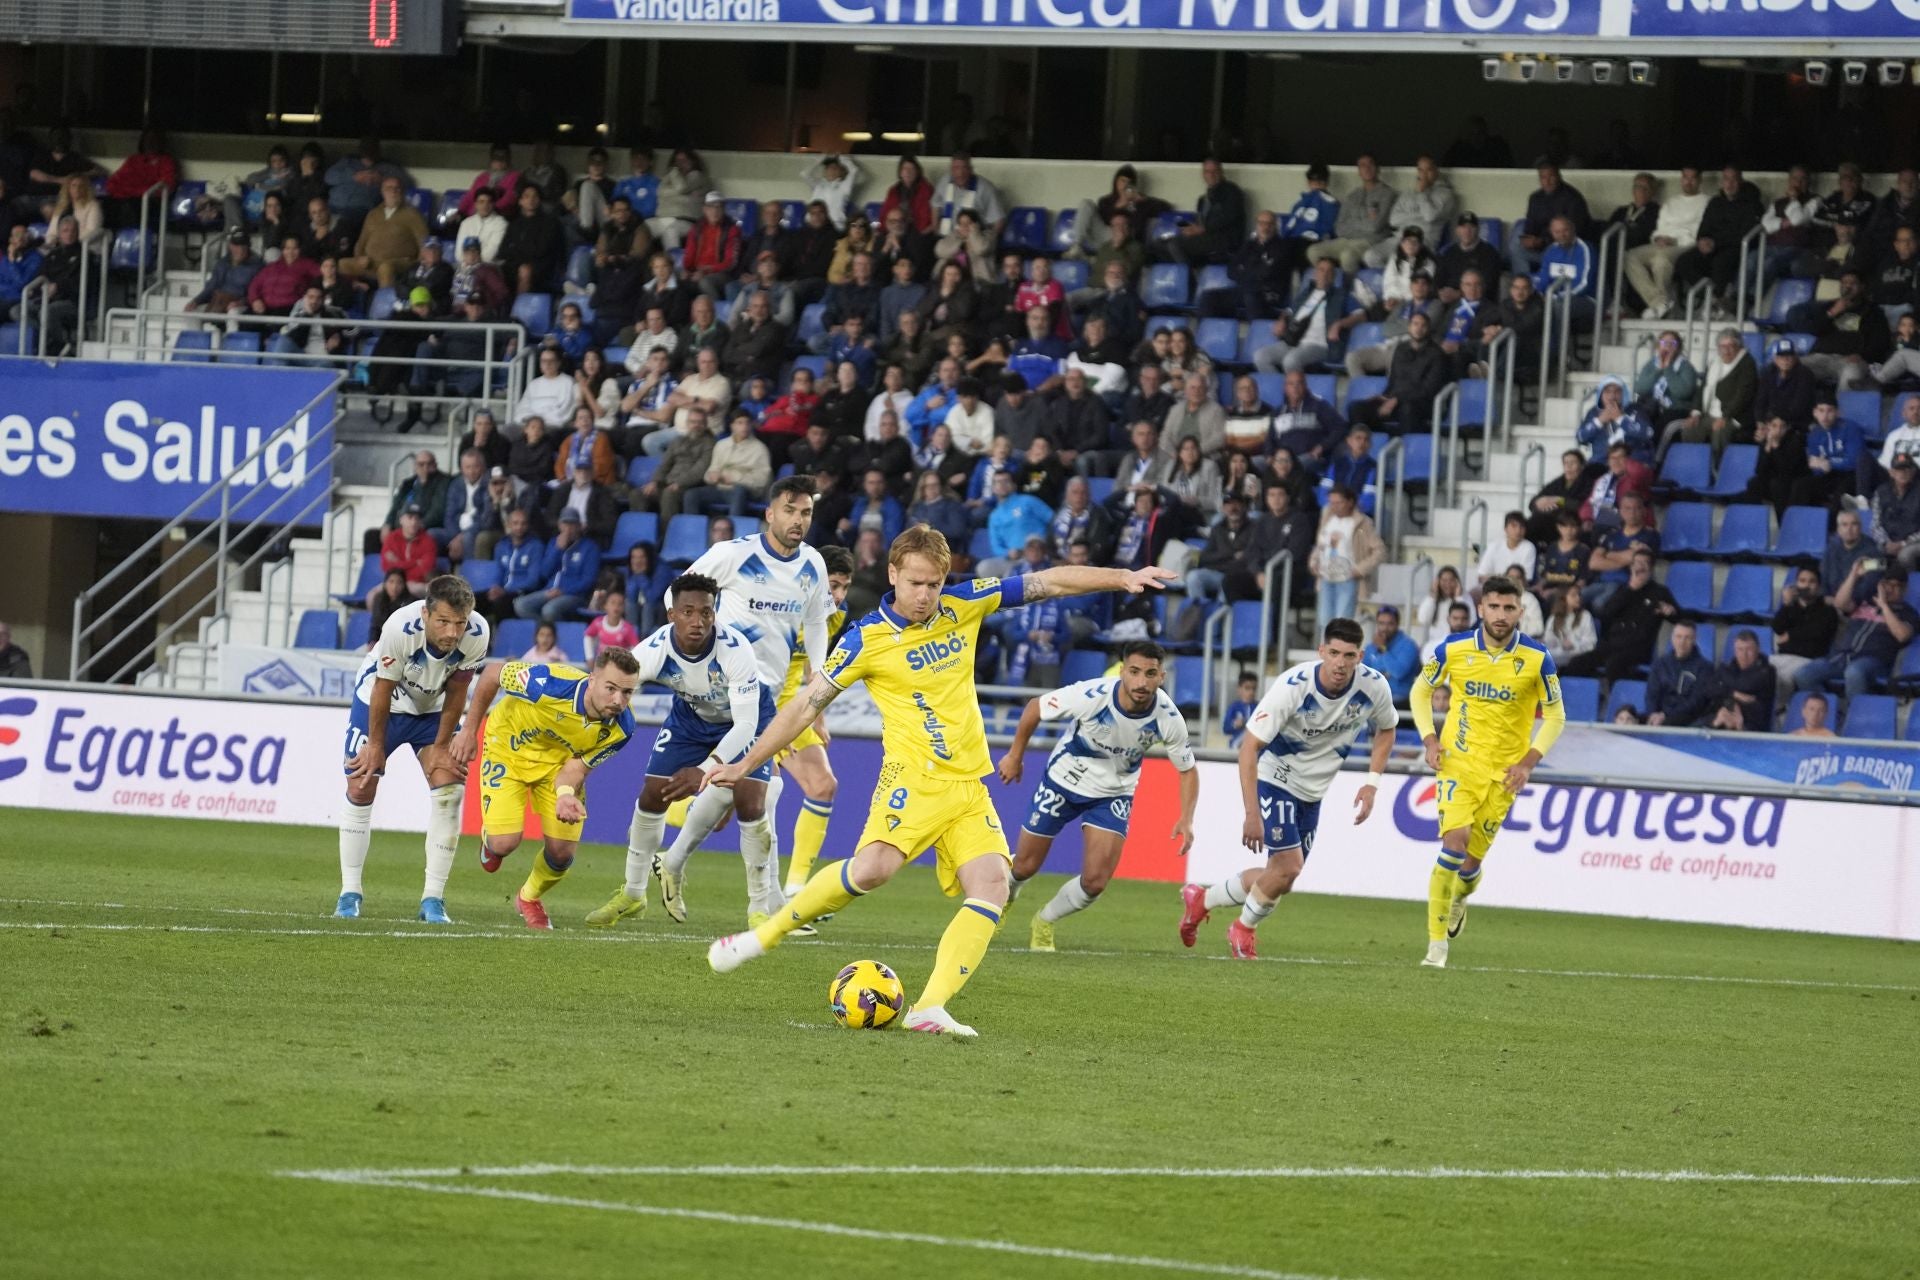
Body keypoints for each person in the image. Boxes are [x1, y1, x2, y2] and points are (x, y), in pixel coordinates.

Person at [704, 527, 1174, 1037]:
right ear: (892, 575)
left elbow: (1048, 583)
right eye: (914, 583)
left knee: (993, 886)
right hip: (914, 776)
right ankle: (763, 936)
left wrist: (1122, 576)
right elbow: (804, 704)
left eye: (933, 584)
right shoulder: (866, 637)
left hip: (969, 785)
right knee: (873, 870)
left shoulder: (964, 603)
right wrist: (747, 762)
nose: (924, 595)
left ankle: (929, 1006)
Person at [639, 480, 836, 926]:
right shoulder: (733, 554)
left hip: (773, 698)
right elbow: (678, 592)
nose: (798, 521)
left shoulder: (813, 565)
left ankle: (676, 864)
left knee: (752, 793)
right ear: (770, 514)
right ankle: (767, 908)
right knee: (758, 794)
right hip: (726, 692)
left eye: (805, 513)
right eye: (790, 511)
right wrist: (691, 647)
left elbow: (817, 622)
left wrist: (819, 681)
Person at [1179, 620, 1397, 959]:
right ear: (1321, 651)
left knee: (1280, 876)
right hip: (1276, 777)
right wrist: (1252, 814)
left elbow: (1387, 729)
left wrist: (1372, 784)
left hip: (1313, 792)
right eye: (1334, 653)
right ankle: (1242, 930)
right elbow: (1249, 748)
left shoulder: (1373, 687)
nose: (1340, 663)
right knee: (1289, 866)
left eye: (1349, 655)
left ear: (1360, 656)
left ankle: (1202, 900)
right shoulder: (1293, 687)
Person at [997, 643, 1199, 952]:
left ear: (1162, 676)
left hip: (1113, 793)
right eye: (1134, 672)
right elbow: (1035, 707)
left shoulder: (1168, 717)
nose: (1141, 682)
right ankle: (1005, 899)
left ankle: (1044, 921)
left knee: (1095, 882)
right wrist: (1014, 755)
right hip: (1063, 780)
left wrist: (1186, 817)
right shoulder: (1092, 696)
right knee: (1024, 866)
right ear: (1122, 672)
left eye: (1150, 674)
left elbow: (1187, 770)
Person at [1409, 577, 1566, 968]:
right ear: (1481, 609)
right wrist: (1430, 739)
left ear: (1521, 612)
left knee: (1471, 864)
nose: (1500, 615)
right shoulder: (1453, 648)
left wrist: (1528, 762)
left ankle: (1461, 897)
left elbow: (1556, 716)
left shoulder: (1537, 658)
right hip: (1458, 764)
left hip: (1505, 775)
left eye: (1508, 608)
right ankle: (1436, 950)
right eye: (1493, 607)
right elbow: (1420, 692)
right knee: (1453, 844)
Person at [336, 576, 490, 925]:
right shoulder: (399, 628)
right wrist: (375, 746)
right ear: (425, 613)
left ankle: (433, 900)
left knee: (449, 788)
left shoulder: (478, 633)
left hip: (433, 707)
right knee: (361, 784)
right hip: (383, 703)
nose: (453, 632)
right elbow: (381, 688)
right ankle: (350, 893)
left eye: (460, 622)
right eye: (444, 621)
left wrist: (439, 747)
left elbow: (458, 689)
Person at [451, 647, 640, 930]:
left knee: (562, 853)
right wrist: (468, 730)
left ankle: (528, 897)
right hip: (508, 748)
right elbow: (492, 674)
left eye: (627, 692)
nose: (618, 700)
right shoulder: (548, 683)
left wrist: (565, 796)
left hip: (558, 766)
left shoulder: (622, 729)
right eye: (611, 688)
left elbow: (576, 769)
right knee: (504, 844)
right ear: (592, 680)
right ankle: (492, 842)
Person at [1793, 562, 1918, 703]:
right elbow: (1840, 604)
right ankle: (1831, 713)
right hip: (1842, 657)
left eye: (1896, 586)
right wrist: (1853, 575)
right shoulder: (1865, 602)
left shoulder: (1908, 613)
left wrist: (1884, 606)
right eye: (1887, 584)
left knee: (1854, 672)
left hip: (1873, 663)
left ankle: (1853, 717)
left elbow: (1902, 635)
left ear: (1904, 589)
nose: (1890, 589)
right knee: (1803, 675)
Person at [1562, 552, 1677, 680]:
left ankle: (1615, 699)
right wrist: (1631, 589)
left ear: (1651, 567)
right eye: (1636, 563)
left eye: (1644, 563)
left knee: (1614, 664)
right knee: (1576, 663)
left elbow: (1678, 617)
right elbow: (1606, 613)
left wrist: (1671, 612)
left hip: (1639, 648)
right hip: (1613, 644)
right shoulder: (1622, 589)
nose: (1640, 567)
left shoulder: (1660, 592)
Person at [1625, 167, 1707, 320]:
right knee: (1630, 256)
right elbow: (1660, 226)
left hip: (1685, 245)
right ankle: (1660, 302)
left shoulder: (1706, 202)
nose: (1688, 182)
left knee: (1661, 261)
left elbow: (1698, 231)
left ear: (1699, 180)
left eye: (1692, 178)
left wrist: (1674, 240)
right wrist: (1658, 238)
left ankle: (1661, 307)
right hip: (1662, 243)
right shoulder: (1671, 202)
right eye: (1685, 177)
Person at [1309, 485, 1381, 635]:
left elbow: (1379, 550)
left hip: (1348, 576)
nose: (1335, 507)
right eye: (1332, 503)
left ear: (1350, 502)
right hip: (1326, 575)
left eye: (1339, 503)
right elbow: (1321, 544)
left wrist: (1360, 569)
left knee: (1343, 620)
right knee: (1324, 620)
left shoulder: (1362, 523)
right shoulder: (1327, 518)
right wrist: (1314, 561)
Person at [1678, 328, 1757, 457]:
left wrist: (1725, 416)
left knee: (1720, 431)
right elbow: (1702, 389)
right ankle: (1696, 467)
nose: (1726, 350)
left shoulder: (1747, 363)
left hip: (1734, 416)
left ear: (1739, 346)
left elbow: (1743, 395)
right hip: (1709, 413)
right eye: (1722, 346)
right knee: (1689, 429)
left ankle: (1718, 469)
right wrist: (1696, 413)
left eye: (1731, 346)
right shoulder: (1714, 362)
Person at [514, 510, 601, 622]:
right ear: (560, 525)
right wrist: (557, 550)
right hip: (550, 590)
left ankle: (551, 634)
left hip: (575, 594)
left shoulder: (590, 547)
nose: (568, 529)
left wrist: (564, 591)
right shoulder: (553, 543)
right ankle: (545, 632)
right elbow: (544, 573)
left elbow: (588, 580)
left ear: (579, 526)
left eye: (573, 524)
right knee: (520, 605)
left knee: (549, 610)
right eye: (565, 524)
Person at [1772, 565, 1842, 692]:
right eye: (1802, 581)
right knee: (1758, 668)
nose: (1806, 585)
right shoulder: (1791, 606)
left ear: (1819, 586)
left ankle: (1782, 709)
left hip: (1808, 660)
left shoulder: (1827, 610)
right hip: (1782, 656)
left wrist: (1790, 635)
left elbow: (1818, 632)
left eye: (1811, 581)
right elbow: (1777, 628)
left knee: (1783, 677)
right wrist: (1786, 605)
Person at [1644, 620, 1714, 725]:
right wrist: (1653, 714)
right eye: (1678, 636)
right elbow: (1651, 694)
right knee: (1627, 718)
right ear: (1672, 638)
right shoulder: (1660, 664)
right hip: (1658, 717)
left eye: (1687, 638)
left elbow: (1696, 703)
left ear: (1694, 640)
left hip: (1686, 718)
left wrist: (1665, 715)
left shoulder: (1705, 668)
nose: (1682, 642)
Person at [1364, 605, 1422, 705]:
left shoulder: (1409, 645)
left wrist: (1382, 649)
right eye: (1381, 623)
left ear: (1397, 624)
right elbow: (1363, 674)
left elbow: (1398, 672)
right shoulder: (1371, 647)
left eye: (1390, 624)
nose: (1385, 628)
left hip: (1399, 698)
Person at [1416, 565, 1474, 651]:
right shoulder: (1431, 598)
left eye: (1451, 580)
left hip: (1459, 645)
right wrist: (1432, 597)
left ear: (1457, 582)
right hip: (1435, 645)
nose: (1448, 584)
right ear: (1438, 582)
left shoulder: (1464, 597)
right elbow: (1422, 619)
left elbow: (1472, 620)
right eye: (1444, 580)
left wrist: (1458, 598)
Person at [1542, 583, 1596, 667]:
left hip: (1577, 656)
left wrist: (1573, 644)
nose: (1578, 598)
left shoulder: (1585, 616)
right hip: (1558, 655)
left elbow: (1591, 643)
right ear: (1563, 598)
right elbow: (1549, 641)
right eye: (1573, 595)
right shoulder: (1553, 618)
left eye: (1579, 595)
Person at [584, 593, 641, 659]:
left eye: (620, 604)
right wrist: (589, 657)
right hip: (600, 664)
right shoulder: (598, 623)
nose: (616, 606)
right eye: (613, 602)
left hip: (619, 666)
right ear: (605, 605)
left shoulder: (627, 628)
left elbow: (636, 648)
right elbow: (588, 636)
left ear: (624, 608)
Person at [1222, 672, 1260, 748]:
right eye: (1247, 688)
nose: (1251, 692)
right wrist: (1235, 724)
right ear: (1239, 689)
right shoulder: (1234, 707)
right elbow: (1225, 728)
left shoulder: (1259, 707)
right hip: (1236, 746)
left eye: (1254, 689)